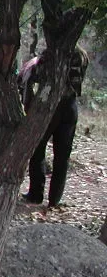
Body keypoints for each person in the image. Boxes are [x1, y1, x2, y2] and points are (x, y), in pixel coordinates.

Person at [21, 46, 88, 208]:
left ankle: (36, 194)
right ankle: (54, 199)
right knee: (62, 156)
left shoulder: (52, 52)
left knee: (37, 149)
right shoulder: (82, 55)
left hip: (49, 106)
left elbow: (38, 75)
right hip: (70, 105)